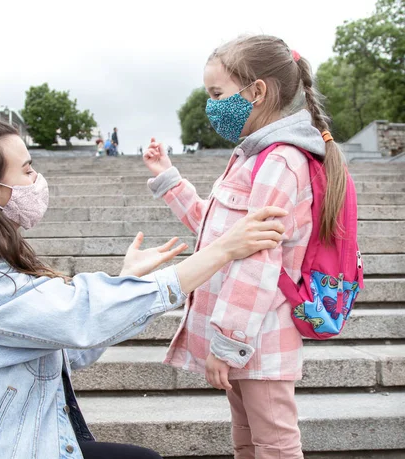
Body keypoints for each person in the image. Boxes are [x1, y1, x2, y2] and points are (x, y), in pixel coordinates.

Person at [0, 117, 287, 459]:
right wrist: (223, 249)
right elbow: (80, 315)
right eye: (28, 170)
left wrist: (126, 280)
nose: (37, 181)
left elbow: (68, 347)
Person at [143, 35, 348, 459]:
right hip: (246, 342)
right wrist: (168, 179)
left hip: (259, 340)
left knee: (274, 448)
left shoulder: (278, 161)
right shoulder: (253, 157)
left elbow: (258, 260)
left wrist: (226, 344)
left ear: (256, 92)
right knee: (247, 444)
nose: (211, 105)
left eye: (217, 94)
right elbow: (222, 236)